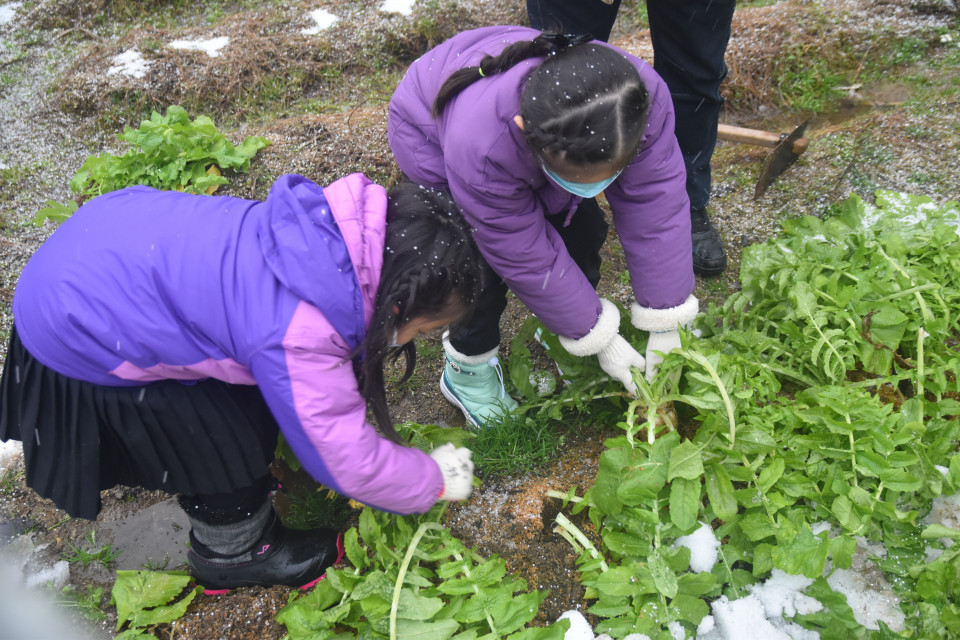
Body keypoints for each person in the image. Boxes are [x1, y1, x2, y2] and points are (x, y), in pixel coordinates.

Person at [0, 174, 482, 592]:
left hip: (91, 258)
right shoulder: (300, 330)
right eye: (426, 328)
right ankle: (233, 553)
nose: (421, 338)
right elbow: (345, 459)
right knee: (221, 431)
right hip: (76, 337)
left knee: (255, 390)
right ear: (399, 305)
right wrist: (433, 480)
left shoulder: (322, 235)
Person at [388, 26, 700, 429]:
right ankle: (468, 371)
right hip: (431, 139)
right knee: (475, 265)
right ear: (525, 131)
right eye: (583, 178)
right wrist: (600, 338)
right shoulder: (481, 146)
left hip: (545, 143)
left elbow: (656, 201)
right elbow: (522, 253)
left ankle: (561, 332)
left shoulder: (636, 98)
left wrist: (667, 317)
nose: (600, 187)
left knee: (582, 232)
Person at [526, 0, 737, 276]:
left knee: (694, 72)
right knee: (562, 63)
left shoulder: (654, 98)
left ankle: (684, 202)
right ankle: (569, 211)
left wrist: (663, 311)